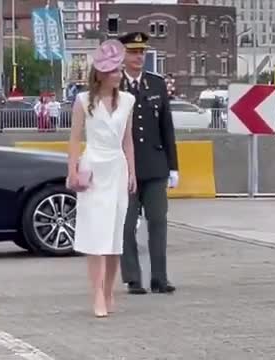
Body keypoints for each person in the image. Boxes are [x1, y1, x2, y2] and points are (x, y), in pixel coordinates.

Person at [67, 39, 137, 317]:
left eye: (120, 70)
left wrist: (132, 171)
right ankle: (96, 293)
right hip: (93, 168)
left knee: (114, 236)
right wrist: (72, 169)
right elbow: (73, 139)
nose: (119, 75)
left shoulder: (129, 101)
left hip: (117, 169)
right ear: (101, 74)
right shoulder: (84, 101)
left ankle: (109, 291)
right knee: (96, 234)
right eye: (114, 71)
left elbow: (128, 141)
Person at [117, 31, 179, 295]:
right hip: (124, 168)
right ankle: (132, 277)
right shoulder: (114, 85)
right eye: (133, 52)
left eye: (142, 52)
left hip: (155, 165)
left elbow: (167, 127)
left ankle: (159, 278)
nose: (139, 57)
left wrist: (173, 166)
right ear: (123, 55)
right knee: (127, 224)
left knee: (158, 221)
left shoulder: (156, 84)